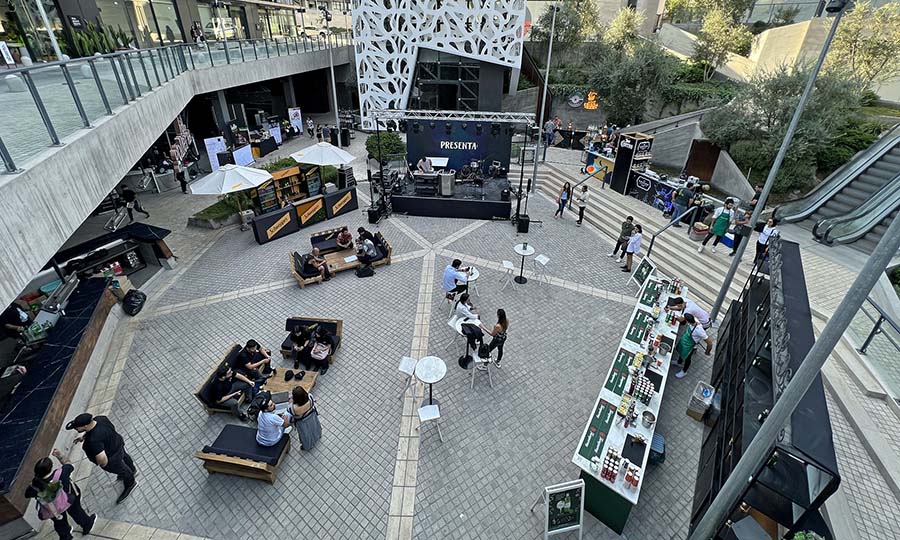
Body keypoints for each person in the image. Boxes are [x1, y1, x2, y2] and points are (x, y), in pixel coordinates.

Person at [25, 449, 97, 539]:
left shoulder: (35, 486)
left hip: (52, 508)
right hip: (70, 499)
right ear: (51, 468)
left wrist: (33, 483)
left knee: (59, 522)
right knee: (77, 512)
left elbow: (27, 494)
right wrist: (60, 456)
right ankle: (87, 525)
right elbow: (69, 464)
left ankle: (66, 536)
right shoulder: (62, 472)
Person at [66, 413, 137, 504]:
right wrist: (83, 438)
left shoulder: (93, 441)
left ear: (86, 425)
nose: (76, 429)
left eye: (77, 427)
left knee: (122, 469)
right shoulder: (100, 419)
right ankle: (133, 469)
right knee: (124, 456)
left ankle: (131, 483)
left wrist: (105, 465)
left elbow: (102, 458)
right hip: (117, 443)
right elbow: (98, 431)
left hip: (112, 457)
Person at [675, 313, 713, 379]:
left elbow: (710, 343)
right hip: (685, 340)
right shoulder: (693, 320)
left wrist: (707, 351)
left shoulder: (699, 330)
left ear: (687, 321)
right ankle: (679, 362)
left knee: (687, 358)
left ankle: (684, 371)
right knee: (681, 351)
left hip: (690, 346)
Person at [289, 386, 322, 450]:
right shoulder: (310, 397)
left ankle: (307, 446)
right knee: (314, 428)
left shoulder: (293, 408)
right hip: (312, 417)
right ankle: (317, 436)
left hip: (301, 422)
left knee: (305, 435)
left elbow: (291, 414)